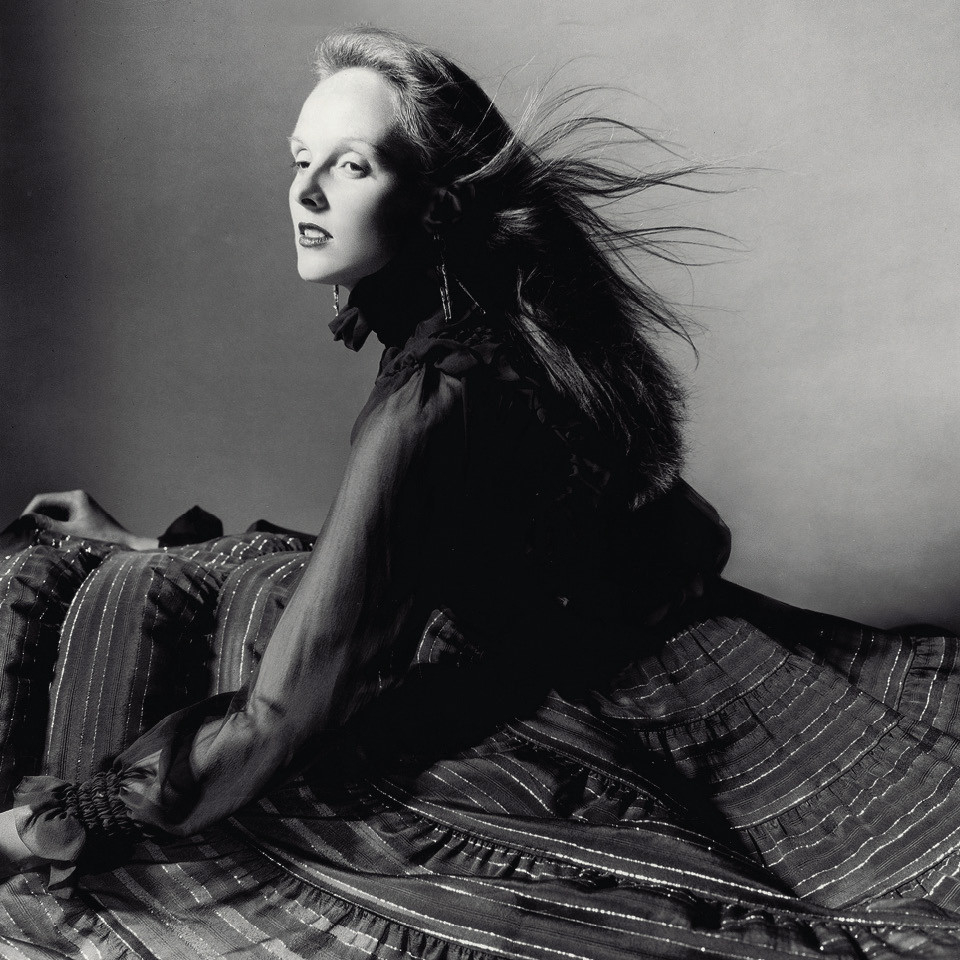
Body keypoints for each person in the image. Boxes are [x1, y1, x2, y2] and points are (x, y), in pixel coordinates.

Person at [2, 25, 960, 960]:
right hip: (695, 649)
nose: (305, 191)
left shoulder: (436, 395)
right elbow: (666, 534)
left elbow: (284, 712)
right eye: (300, 159)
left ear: (434, 202)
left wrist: (61, 819)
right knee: (185, 587)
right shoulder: (512, 319)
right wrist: (152, 551)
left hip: (616, 706)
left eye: (351, 166)